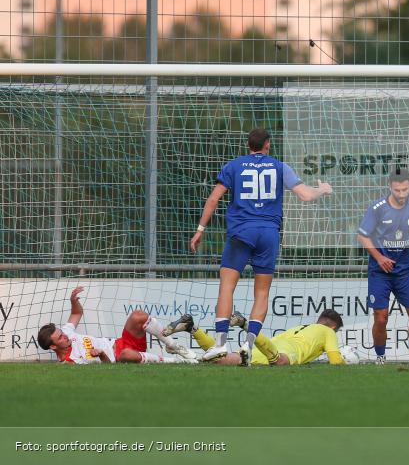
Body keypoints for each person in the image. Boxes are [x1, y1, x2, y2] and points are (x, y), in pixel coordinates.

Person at [190, 128, 332, 363]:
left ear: (248, 145)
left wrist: (200, 230)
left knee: (227, 286)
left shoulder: (234, 166)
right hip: (268, 233)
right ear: (267, 145)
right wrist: (322, 189)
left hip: (241, 232)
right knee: (262, 292)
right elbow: (306, 195)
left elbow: (214, 199)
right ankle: (248, 344)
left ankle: (220, 343)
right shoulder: (279, 166)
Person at [356, 168, 409, 365]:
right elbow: (362, 236)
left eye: (405, 190)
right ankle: (381, 357)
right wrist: (379, 258)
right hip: (380, 272)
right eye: (397, 190)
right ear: (390, 187)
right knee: (381, 318)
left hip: (405, 271)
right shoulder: (377, 208)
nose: (401, 194)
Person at [36, 287, 196, 364]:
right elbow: (106, 368)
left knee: (137, 316)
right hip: (119, 358)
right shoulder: (70, 363)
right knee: (125, 354)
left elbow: (76, 314)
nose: (64, 336)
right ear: (53, 347)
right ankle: (177, 362)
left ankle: (173, 346)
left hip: (121, 343)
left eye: (61, 332)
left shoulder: (67, 333)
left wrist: (73, 302)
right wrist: (102, 355)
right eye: (60, 337)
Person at [164, 310, 348, 366]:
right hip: (285, 352)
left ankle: (192, 327)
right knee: (281, 362)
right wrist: (347, 361)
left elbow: (274, 339)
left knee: (221, 359)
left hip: (266, 346)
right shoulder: (328, 332)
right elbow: (336, 362)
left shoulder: (301, 327)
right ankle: (245, 323)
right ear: (333, 326)